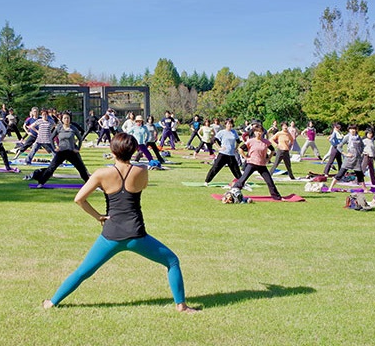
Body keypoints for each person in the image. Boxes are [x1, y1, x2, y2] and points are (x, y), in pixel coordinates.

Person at [43, 133, 197, 313]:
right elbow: (142, 186)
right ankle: (181, 305)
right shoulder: (142, 171)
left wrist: (98, 216)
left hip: (111, 235)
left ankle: (52, 302)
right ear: (133, 151)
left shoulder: (102, 174)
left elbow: (79, 199)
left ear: (113, 151)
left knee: (83, 272)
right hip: (136, 235)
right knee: (172, 261)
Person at [25, 112, 89, 186]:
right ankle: (41, 183)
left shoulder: (73, 128)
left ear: (70, 119)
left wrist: (77, 148)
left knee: (81, 168)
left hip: (71, 152)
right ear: (62, 119)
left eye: (68, 118)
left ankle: (89, 183)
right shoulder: (59, 128)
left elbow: (80, 139)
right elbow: (51, 138)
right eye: (65, 118)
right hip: (61, 152)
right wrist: (55, 148)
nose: (66, 119)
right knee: (51, 168)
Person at [231, 124, 282, 200]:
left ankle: (277, 197)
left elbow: (272, 150)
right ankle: (232, 192)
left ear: (262, 132)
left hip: (262, 165)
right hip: (251, 163)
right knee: (242, 180)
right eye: (257, 131)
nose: (259, 133)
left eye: (260, 131)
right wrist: (246, 157)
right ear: (254, 132)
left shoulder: (266, 142)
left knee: (270, 181)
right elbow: (240, 149)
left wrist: (268, 159)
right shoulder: (251, 141)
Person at [204, 119, 242, 185]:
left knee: (236, 169)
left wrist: (236, 148)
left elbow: (238, 141)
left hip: (231, 155)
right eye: (228, 124)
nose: (230, 125)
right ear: (225, 125)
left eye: (231, 124)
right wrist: (219, 148)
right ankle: (207, 181)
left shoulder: (234, 132)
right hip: (223, 154)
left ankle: (241, 182)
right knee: (215, 168)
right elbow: (213, 140)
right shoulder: (222, 132)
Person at [328, 124, 366, 190]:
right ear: (349, 130)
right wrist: (345, 154)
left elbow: (362, 145)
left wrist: (360, 153)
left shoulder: (358, 137)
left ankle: (365, 189)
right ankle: (330, 188)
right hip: (348, 159)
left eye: (354, 129)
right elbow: (339, 146)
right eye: (351, 129)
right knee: (340, 173)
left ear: (356, 130)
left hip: (357, 159)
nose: (352, 131)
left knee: (360, 175)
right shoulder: (347, 137)